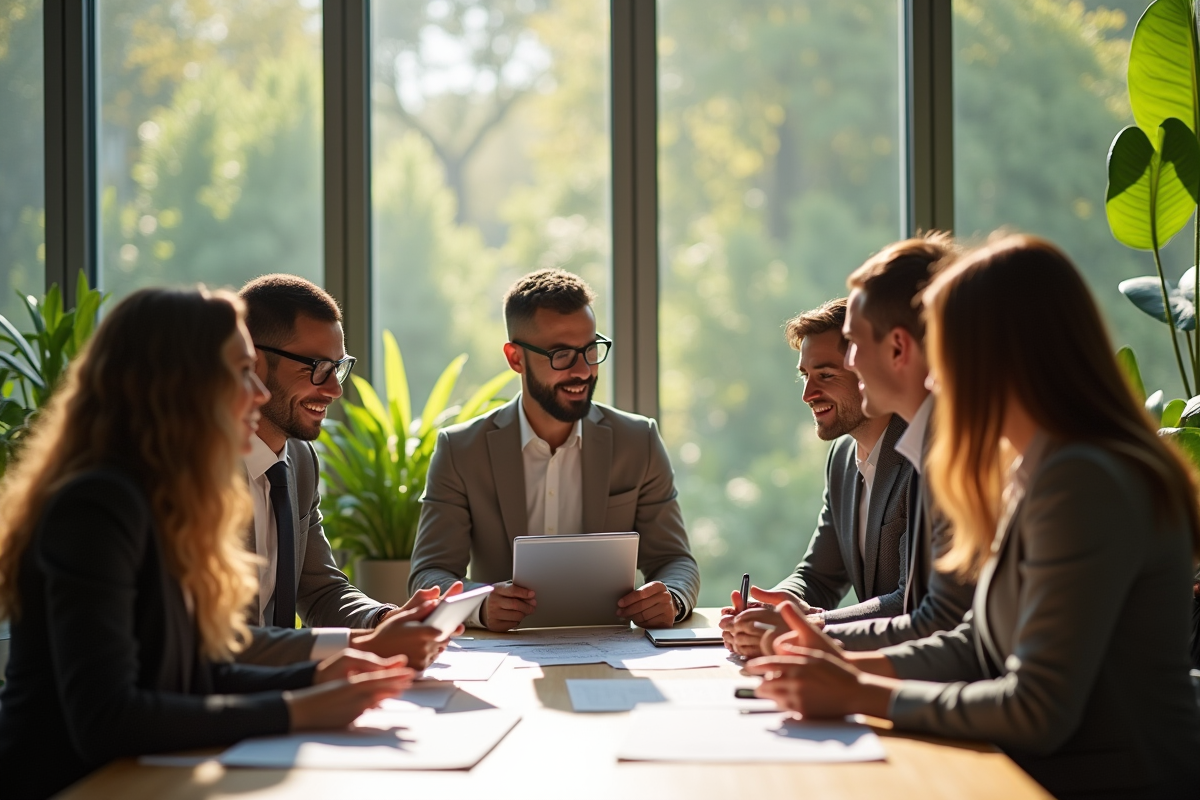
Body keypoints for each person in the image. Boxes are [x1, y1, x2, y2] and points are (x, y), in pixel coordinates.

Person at [747, 235, 1200, 799]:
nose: (933, 377)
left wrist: (860, 692)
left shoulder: (1084, 479)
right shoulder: (1035, 470)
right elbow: (974, 645)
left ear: (999, 354)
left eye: (948, 351)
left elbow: (1036, 708)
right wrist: (834, 660)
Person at [0, 288, 415, 800]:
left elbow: (191, 672)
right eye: (242, 372)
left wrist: (320, 676)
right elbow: (108, 717)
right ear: (176, 385)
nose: (258, 394)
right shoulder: (98, 505)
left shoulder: (168, 500)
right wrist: (298, 707)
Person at [409, 269, 700, 630]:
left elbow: (676, 561)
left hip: (612, 650)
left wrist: (671, 597)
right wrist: (479, 605)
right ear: (516, 358)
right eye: (561, 354)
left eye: (591, 349)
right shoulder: (461, 450)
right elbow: (429, 573)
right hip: (505, 656)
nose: (583, 371)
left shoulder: (638, 440)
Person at [236, 275, 458, 668]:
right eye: (317, 367)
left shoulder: (300, 460)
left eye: (338, 367)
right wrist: (367, 644)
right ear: (253, 361)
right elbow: (209, 641)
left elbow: (319, 591)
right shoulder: (195, 472)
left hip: (278, 690)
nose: (335, 389)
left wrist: (384, 620)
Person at [720, 298, 913, 658]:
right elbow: (818, 577)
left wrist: (805, 627)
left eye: (825, 375)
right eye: (805, 376)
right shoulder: (841, 459)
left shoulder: (922, 454)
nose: (808, 394)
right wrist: (771, 610)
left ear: (867, 368)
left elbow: (911, 602)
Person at [811, 233, 974, 651]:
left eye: (855, 346)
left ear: (899, 347)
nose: (851, 362)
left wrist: (812, 638)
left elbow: (933, 618)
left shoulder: (954, 454)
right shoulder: (924, 446)